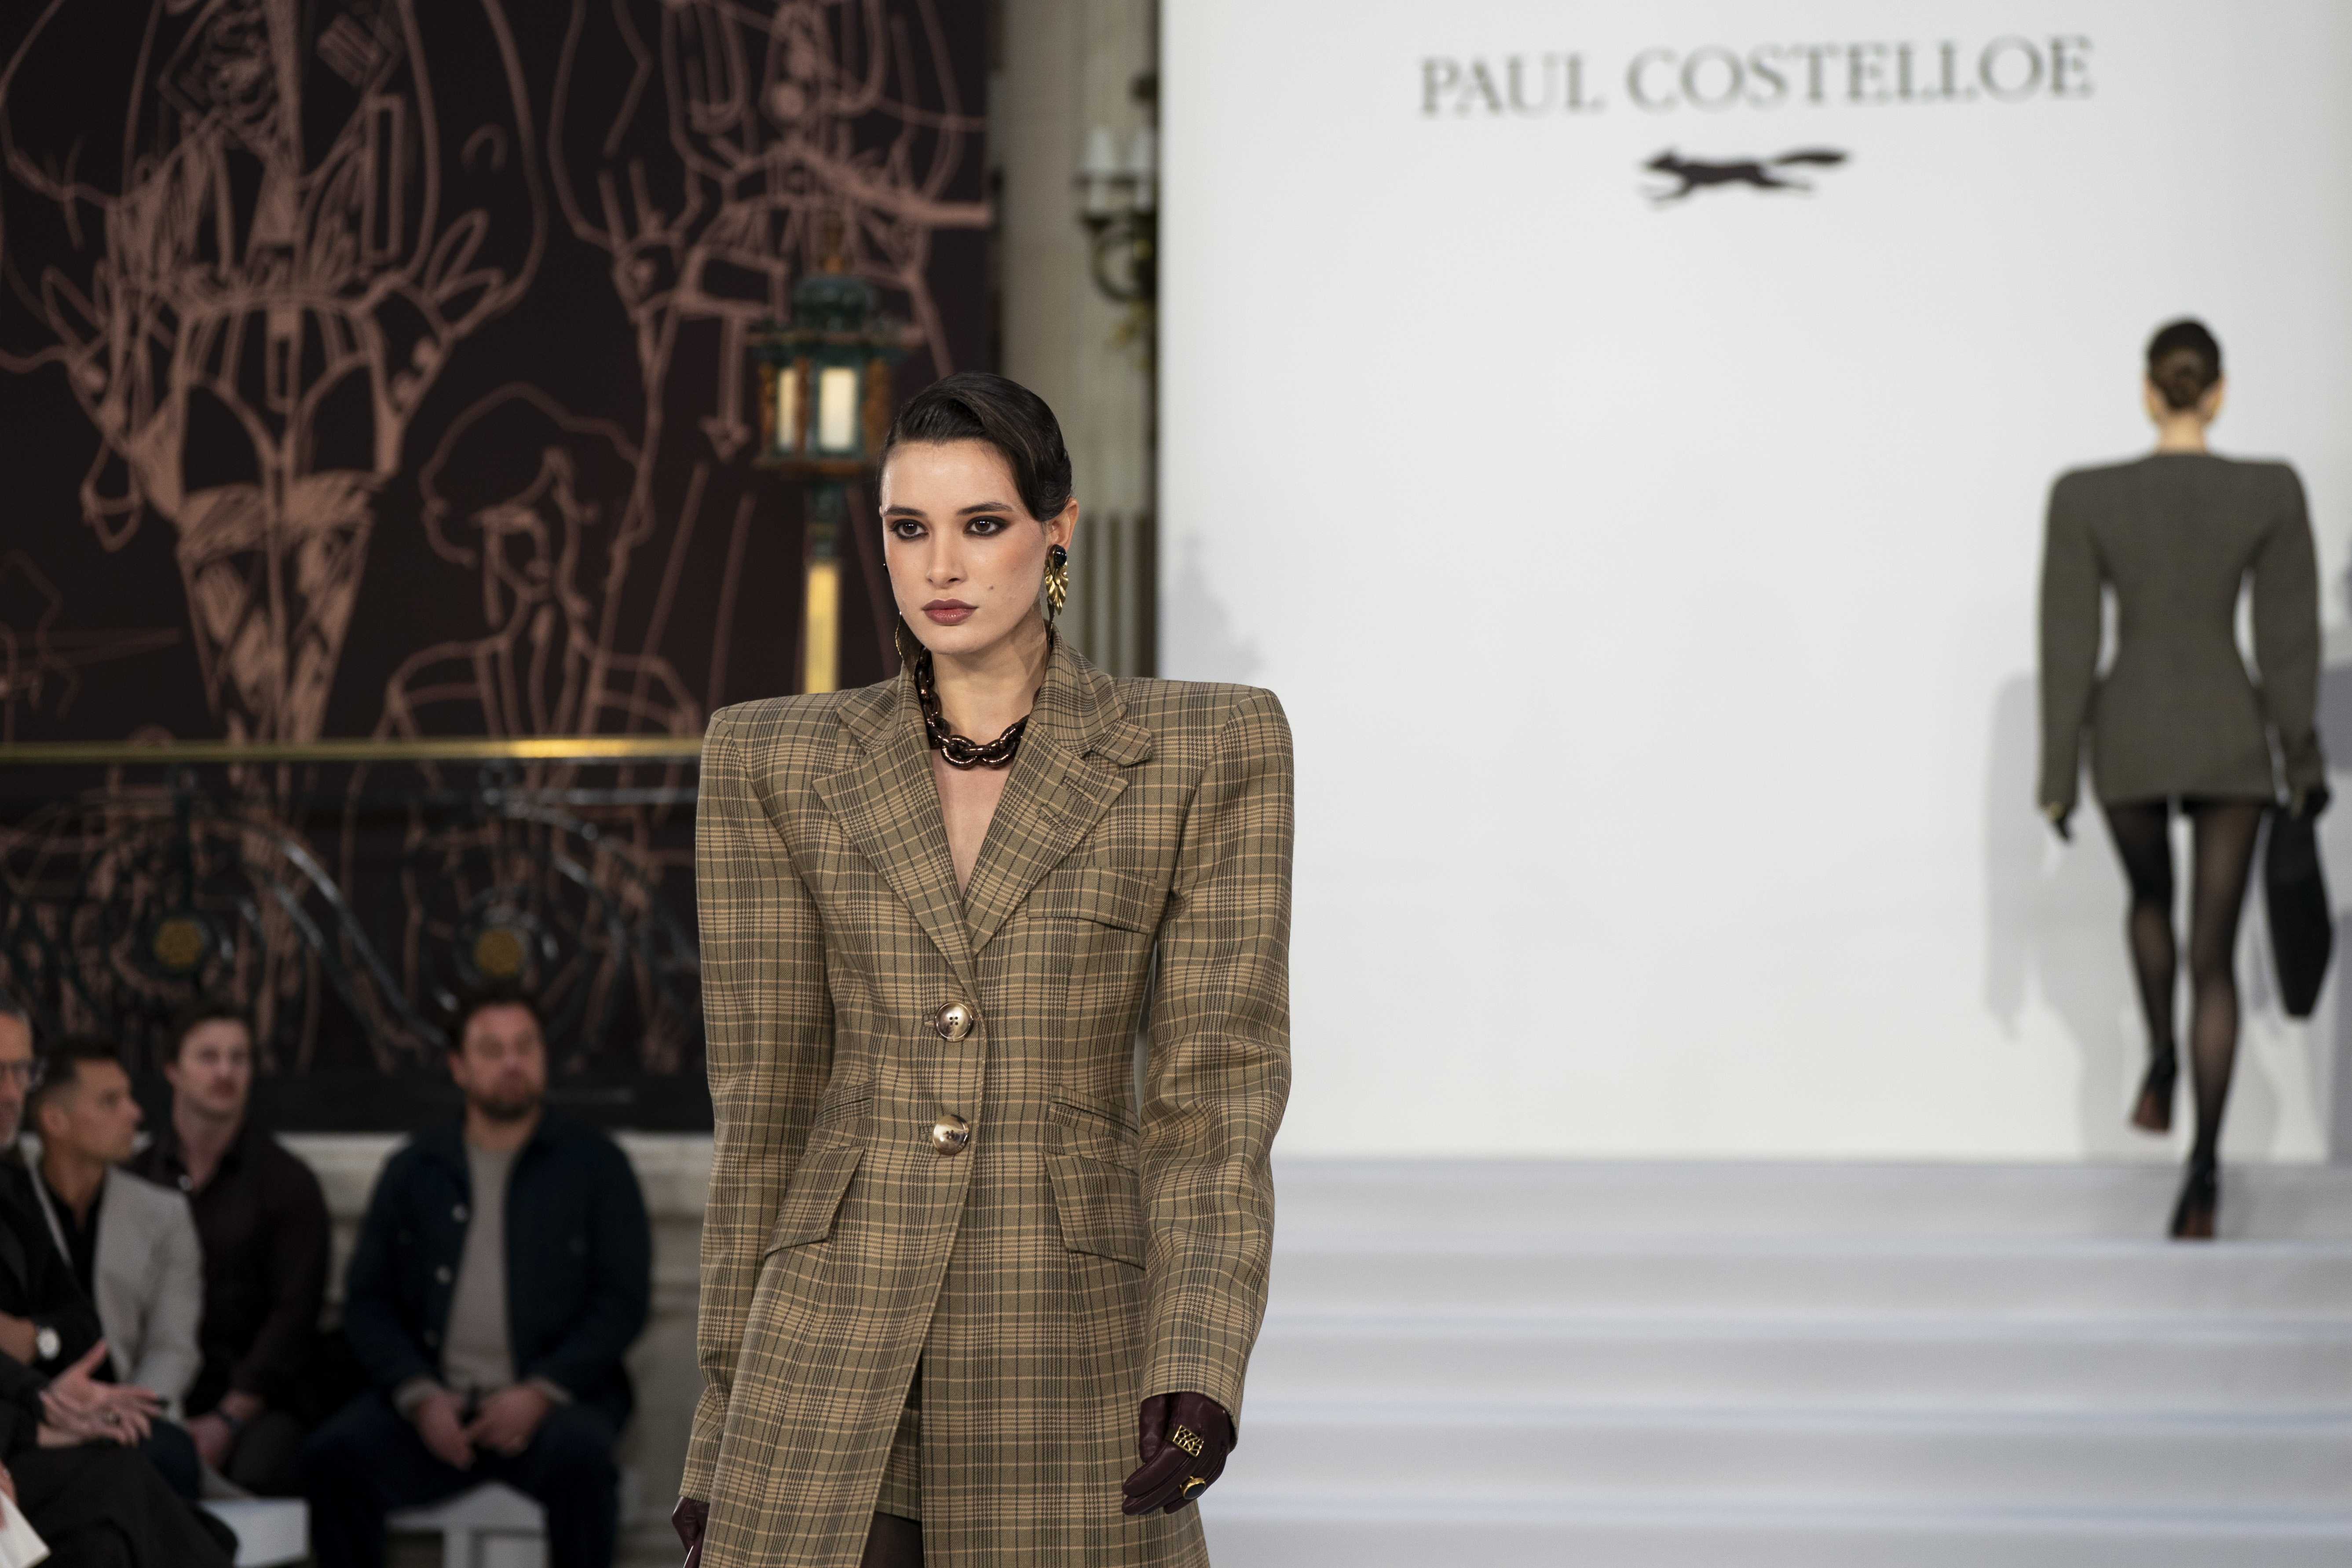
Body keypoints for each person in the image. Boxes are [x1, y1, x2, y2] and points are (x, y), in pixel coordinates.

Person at [674, 373, 1293, 1567]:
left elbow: (1214, 1094)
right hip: (823, 1355)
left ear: (1057, 531)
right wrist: (716, 1430)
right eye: (909, 528)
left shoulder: (1206, 750)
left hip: (1065, 1354)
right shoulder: (771, 759)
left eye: (982, 524)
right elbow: (766, 1114)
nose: (940, 566)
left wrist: (1200, 1354)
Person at [2038, 318, 2326, 1240]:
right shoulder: (2269, 491)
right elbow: (2287, 643)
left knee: (2149, 902)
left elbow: (2069, 641)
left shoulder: (2086, 497)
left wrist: (2056, 772)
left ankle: (2159, 1057)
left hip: (2127, 732)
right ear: (2219, 391)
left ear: (2146, 390)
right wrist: (2302, 761)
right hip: (2228, 734)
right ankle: (2203, 1170)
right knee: (2214, 956)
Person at [302, 986, 651, 1568]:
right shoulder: (416, 1168)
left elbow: (620, 1300)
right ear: (459, 1066)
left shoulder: (597, 1166)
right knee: (331, 1458)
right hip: (432, 1406)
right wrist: (419, 1396)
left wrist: (541, 1392)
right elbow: (368, 1301)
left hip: (552, 1408)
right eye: (492, 1049)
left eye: (524, 1046)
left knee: (586, 1466)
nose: (512, 1062)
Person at [0, 998, 234, 1566]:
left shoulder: (6, 1192)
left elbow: (82, 1328)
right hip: (23, 1425)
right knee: (120, 1485)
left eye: (20, 1072)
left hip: (45, 1417)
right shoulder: (23, 1186)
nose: (12, 1092)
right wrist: (34, 1412)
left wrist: (35, 1342)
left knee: (109, 1531)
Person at [128, 999, 329, 1495]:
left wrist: (229, 1418)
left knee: (267, 1469)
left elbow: (294, 1316)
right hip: (151, 1393)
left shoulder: (288, 1182)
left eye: (239, 1058)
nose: (226, 1071)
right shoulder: (133, 1179)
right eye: (209, 1056)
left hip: (258, 1399)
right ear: (173, 1069)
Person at [24, 1038, 205, 1498]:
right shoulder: (13, 1204)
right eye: (110, 1101)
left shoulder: (164, 1214)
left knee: (163, 1457)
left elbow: (173, 1348)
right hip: (33, 1419)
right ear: (55, 1120)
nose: (134, 1113)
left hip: (134, 1422)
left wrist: (115, 1415)